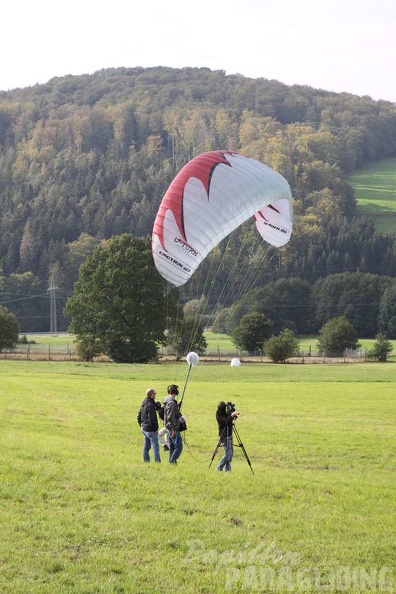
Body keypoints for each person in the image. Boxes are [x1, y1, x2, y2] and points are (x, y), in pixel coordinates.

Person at [138, 388, 161, 463]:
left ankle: (146, 461)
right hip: (150, 429)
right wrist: (155, 429)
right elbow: (152, 419)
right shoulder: (150, 405)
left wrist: (141, 424)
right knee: (155, 446)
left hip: (144, 428)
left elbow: (139, 415)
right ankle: (157, 462)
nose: (155, 395)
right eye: (154, 393)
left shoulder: (144, 403)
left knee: (146, 447)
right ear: (151, 395)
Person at [215, 401, 239, 471]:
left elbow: (229, 418)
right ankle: (219, 468)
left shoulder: (224, 412)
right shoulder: (218, 415)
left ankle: (227, 470)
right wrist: (232, 415)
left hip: (229, 434)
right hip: (224, 436)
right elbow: (226, 421)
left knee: (229, 454)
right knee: (229, 453)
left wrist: (232, 413)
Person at [163, 384, 184, 465]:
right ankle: (171, 461)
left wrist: (177, 406)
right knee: (179, 447)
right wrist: (174, 429)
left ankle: (172, 463)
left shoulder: (168, 401)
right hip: (172, 428)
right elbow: (171, 417)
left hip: (168, 427)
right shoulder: (171, 403)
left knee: (172, 447)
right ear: (175, 392)